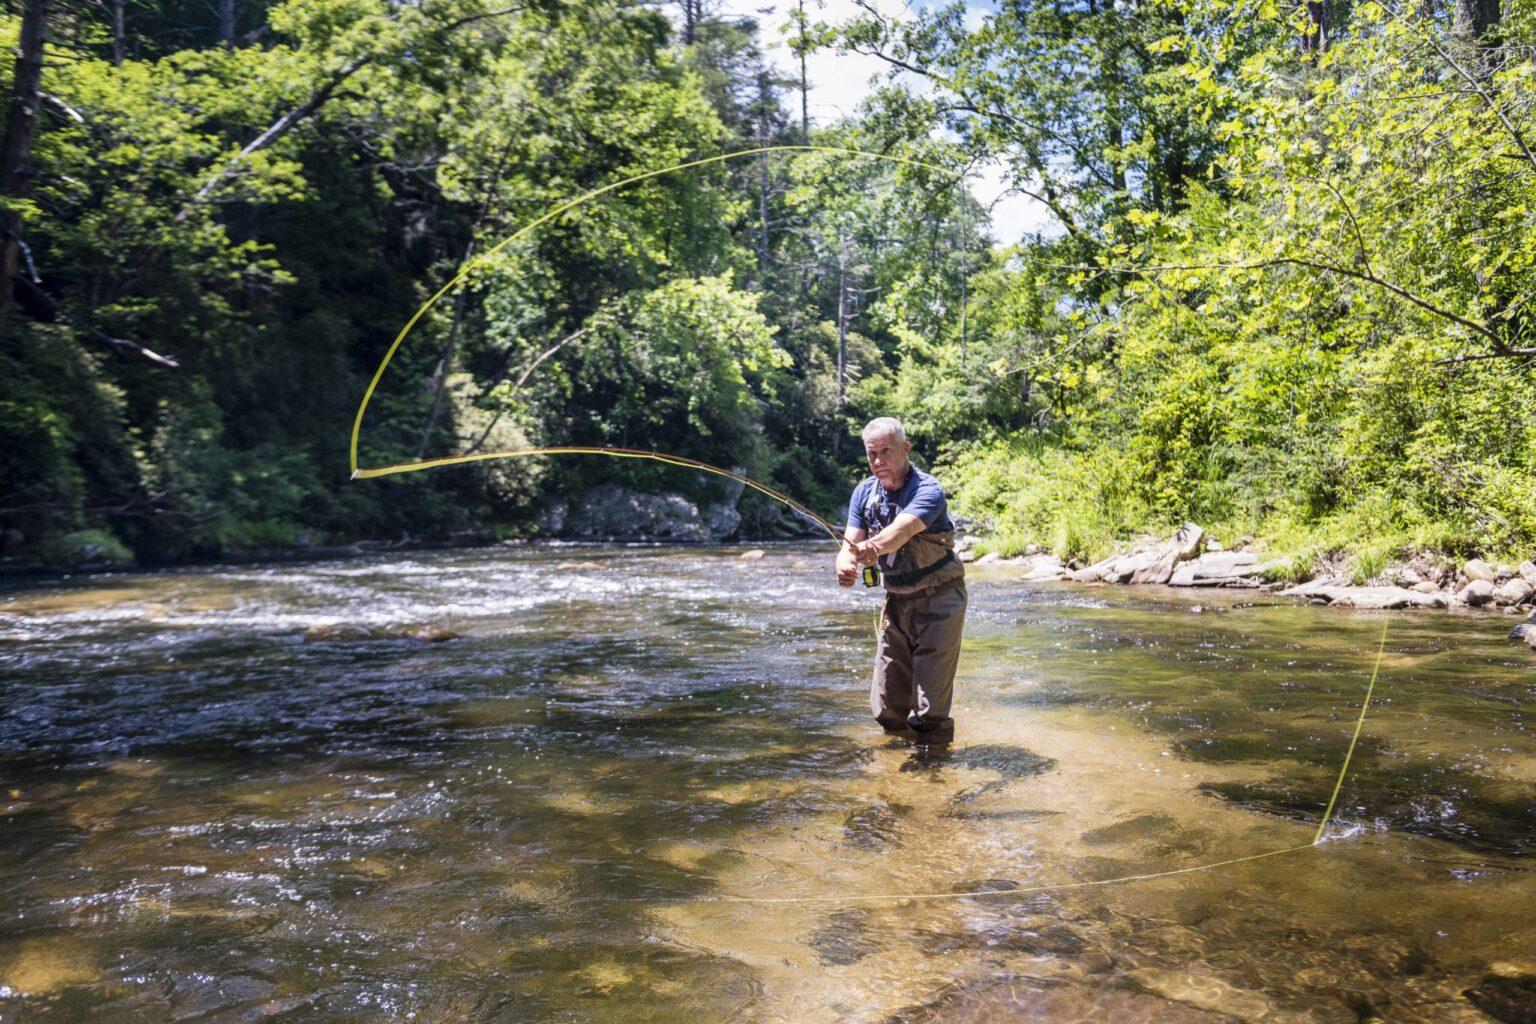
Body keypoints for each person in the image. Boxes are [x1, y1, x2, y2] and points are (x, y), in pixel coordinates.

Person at [835, 417, 967, 745]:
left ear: (905, 449)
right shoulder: (863, 493)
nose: (878, 461)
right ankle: (893, 768)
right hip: (895, 602)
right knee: (887, 706)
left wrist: (871, 548)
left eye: (886, 452)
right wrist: (846, 564)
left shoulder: (927, 489)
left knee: (928, 711)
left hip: (940, 601)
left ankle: (931, 772)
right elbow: (848, 543)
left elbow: (903, 530)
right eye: (871, 454)